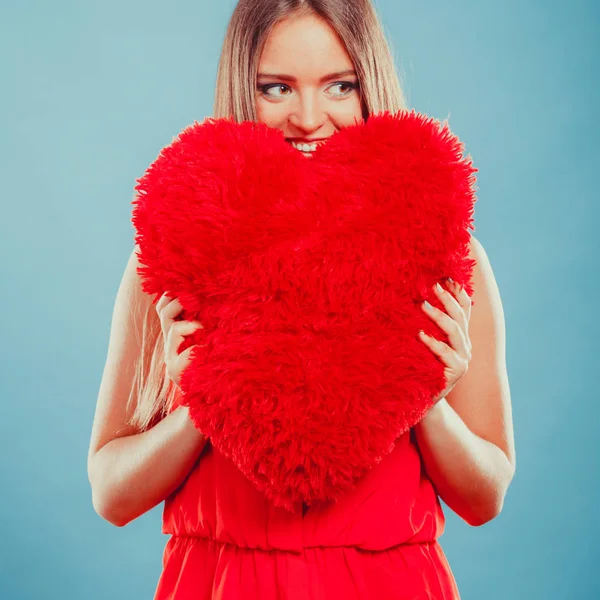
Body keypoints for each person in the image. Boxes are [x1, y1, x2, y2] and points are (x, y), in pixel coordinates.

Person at [87, 1, 516, 598]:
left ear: (372, 88)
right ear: (242, 89)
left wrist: (422, 391)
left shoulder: (445, 255)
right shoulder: (174, 253)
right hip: (218, 583)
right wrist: (200, 401)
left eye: (341, 85)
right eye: (276, 88)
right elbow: (110, 494)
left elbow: (487, 495)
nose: (309, 118)